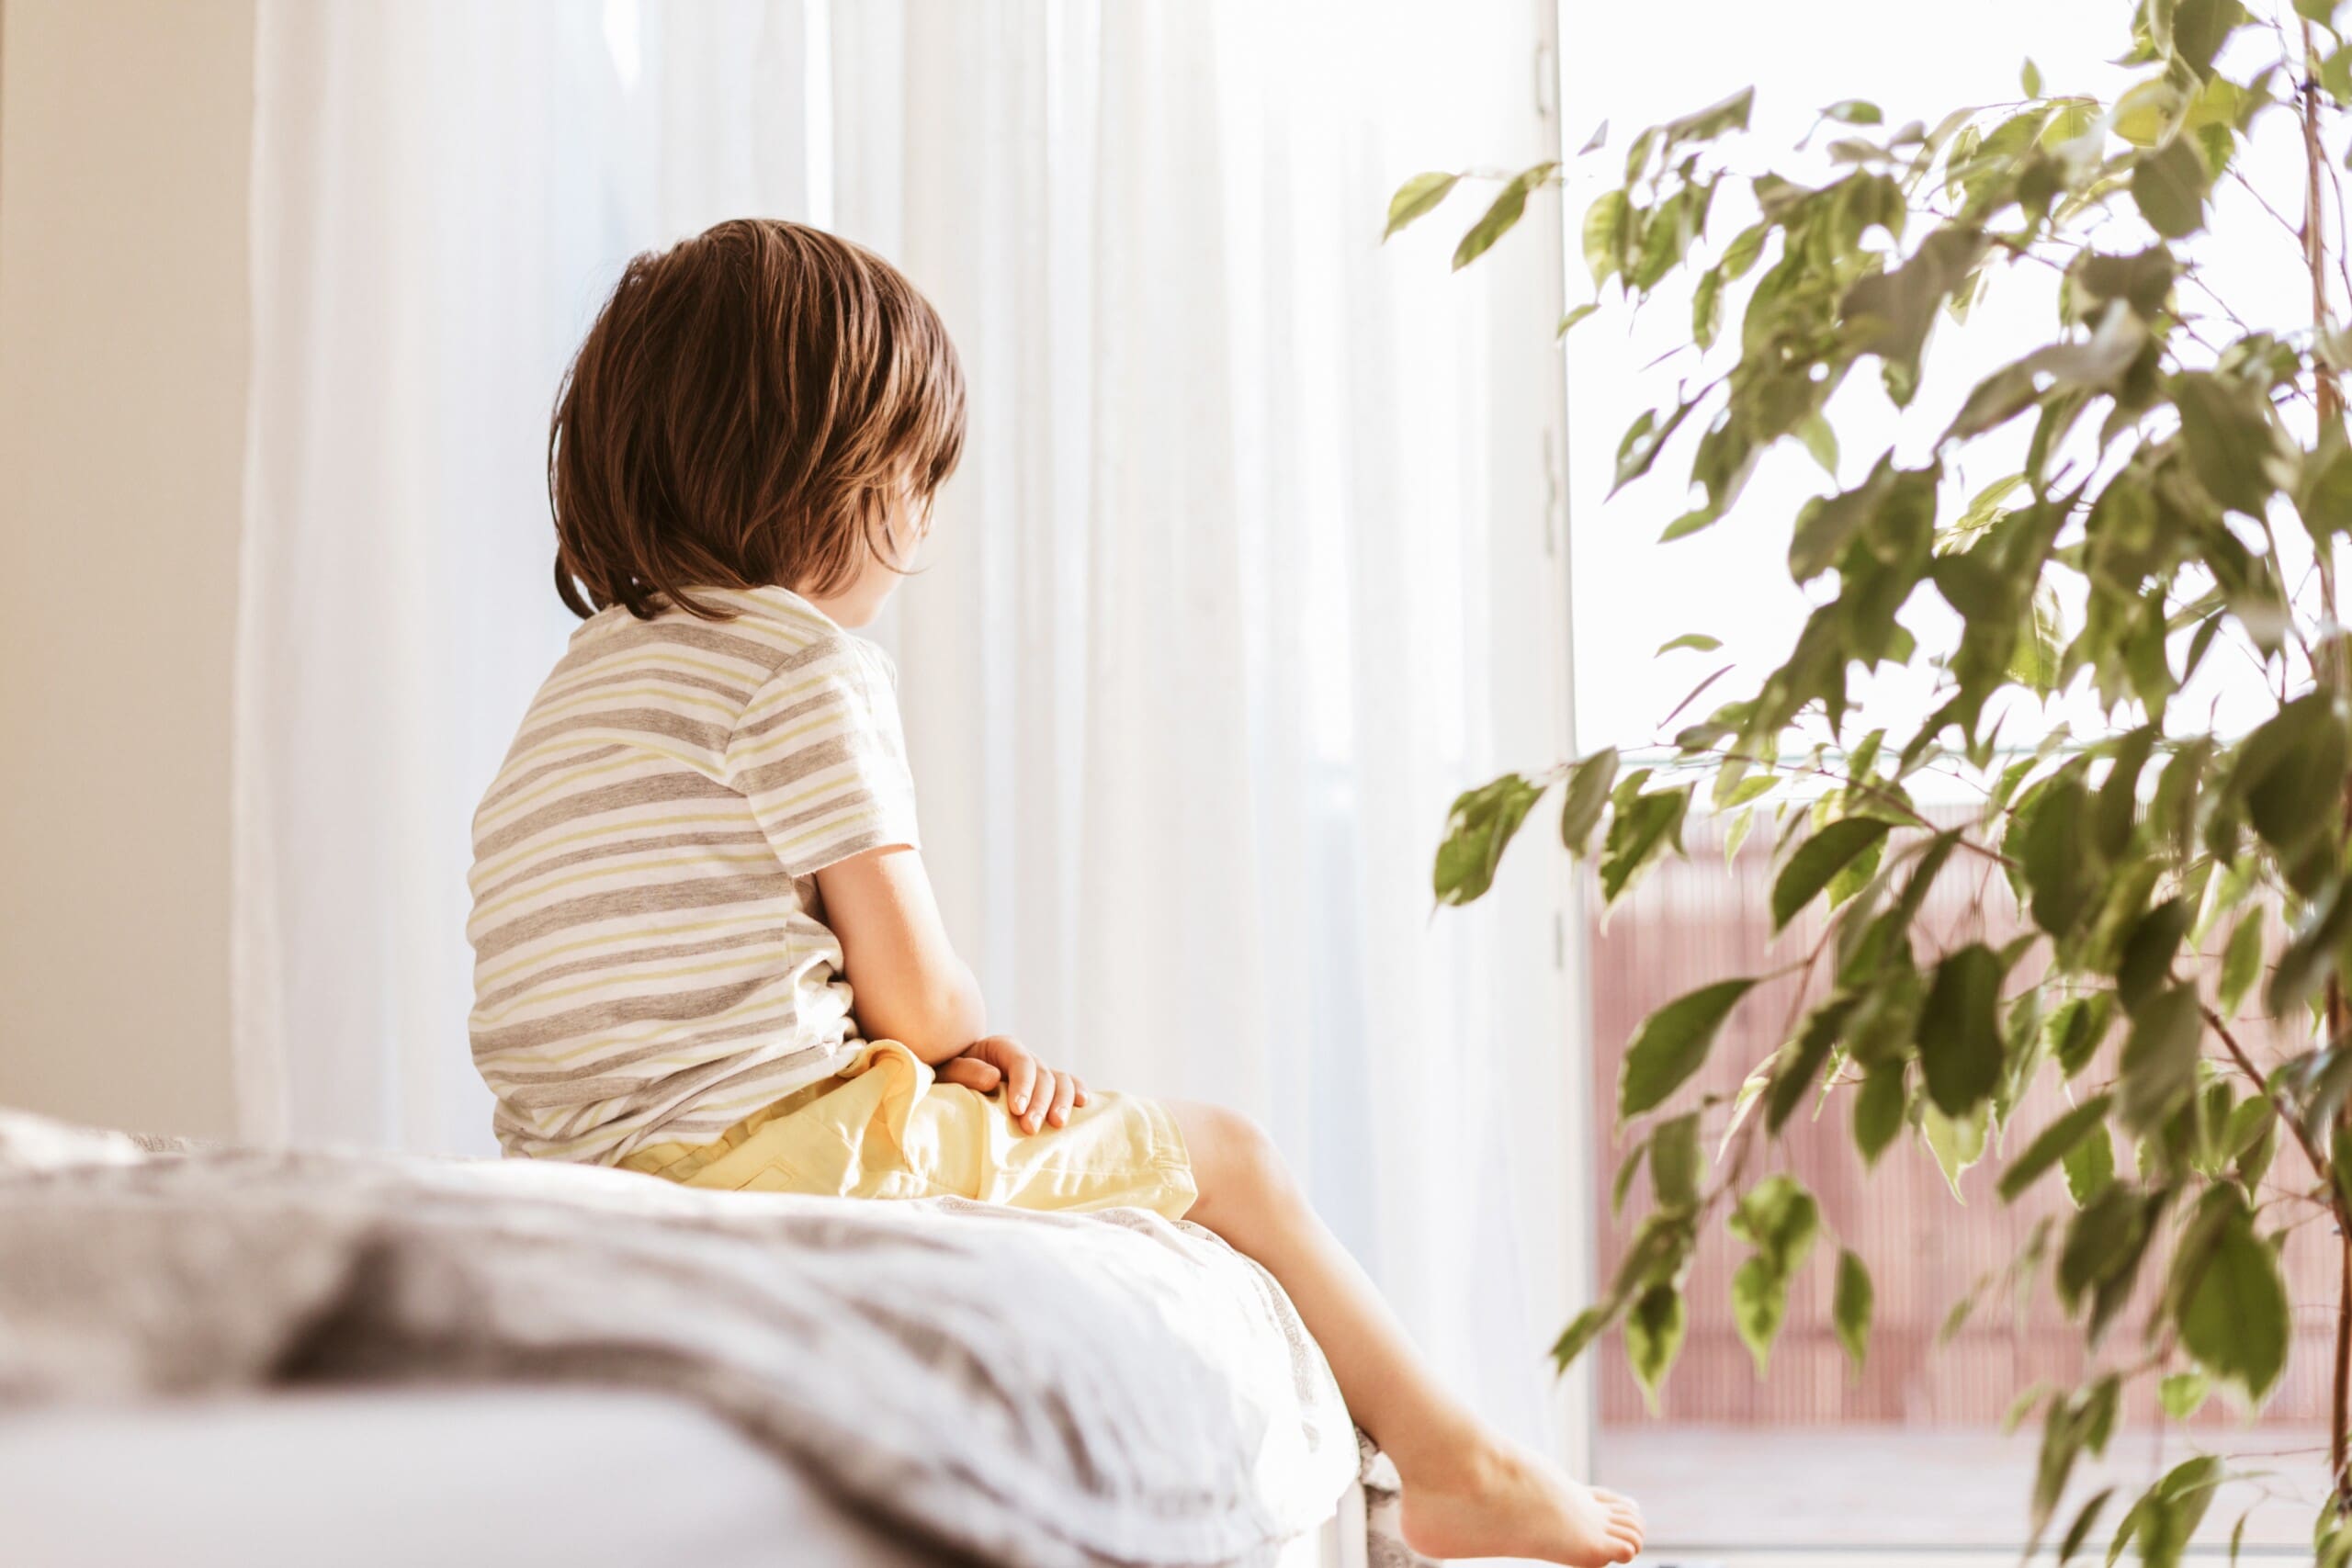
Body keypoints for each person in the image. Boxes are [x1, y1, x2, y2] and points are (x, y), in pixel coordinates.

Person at [467, 218, 1645, 1566]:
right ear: (836, 472)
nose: (919, 520)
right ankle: (1457, 1462)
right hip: (776, 1152)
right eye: (914, 476)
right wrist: (965, 1048)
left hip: (579, 1167)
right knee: (1229, 1156)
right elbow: (909, 992)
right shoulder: (802, 668)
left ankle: (1456, 1464)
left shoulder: (578, 692)